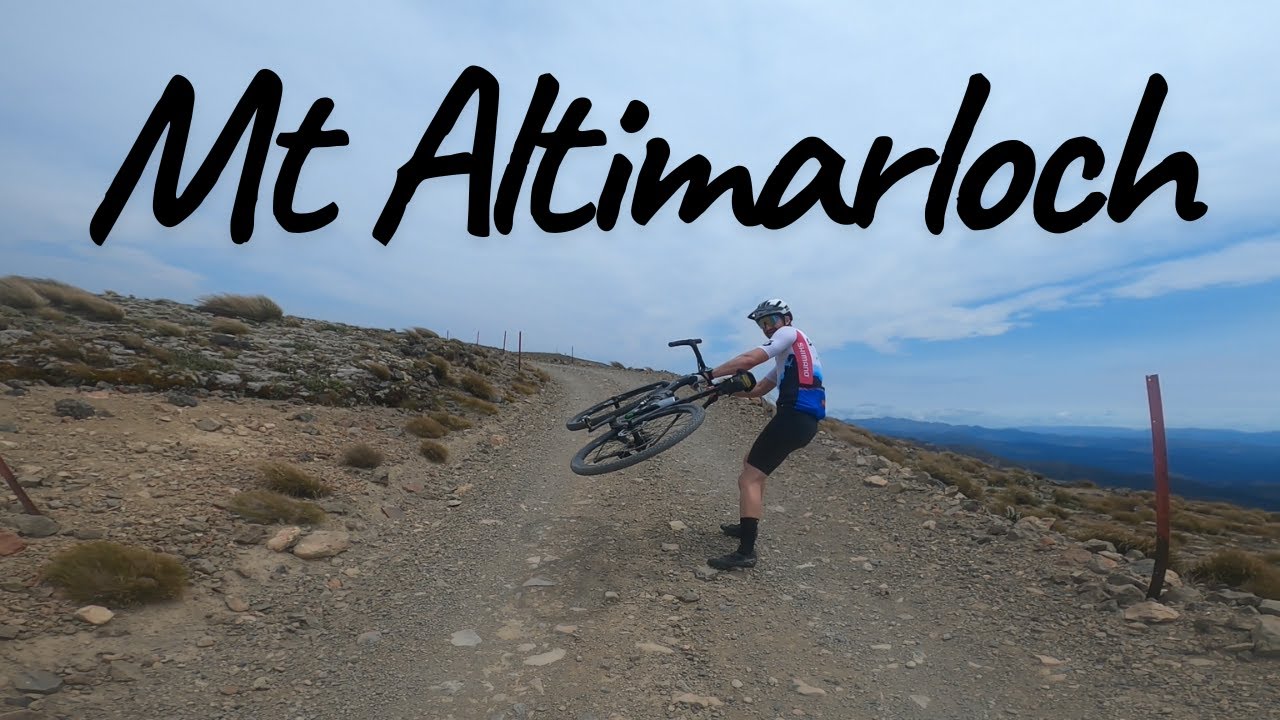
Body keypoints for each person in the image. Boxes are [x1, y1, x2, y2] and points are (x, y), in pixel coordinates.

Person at [702, 298, 826, 570]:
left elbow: (749, 359)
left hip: (793, 417)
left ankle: (746, 552)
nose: (767, 328)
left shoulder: (789, 333)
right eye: (762, 323)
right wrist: (722, 391)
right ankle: (747, 523)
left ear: (787, 318)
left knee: (749, 477)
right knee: (752, 465)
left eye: (771, 320)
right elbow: (758, 390)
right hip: (803, 422)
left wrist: (710, 374)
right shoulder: (795, 354)